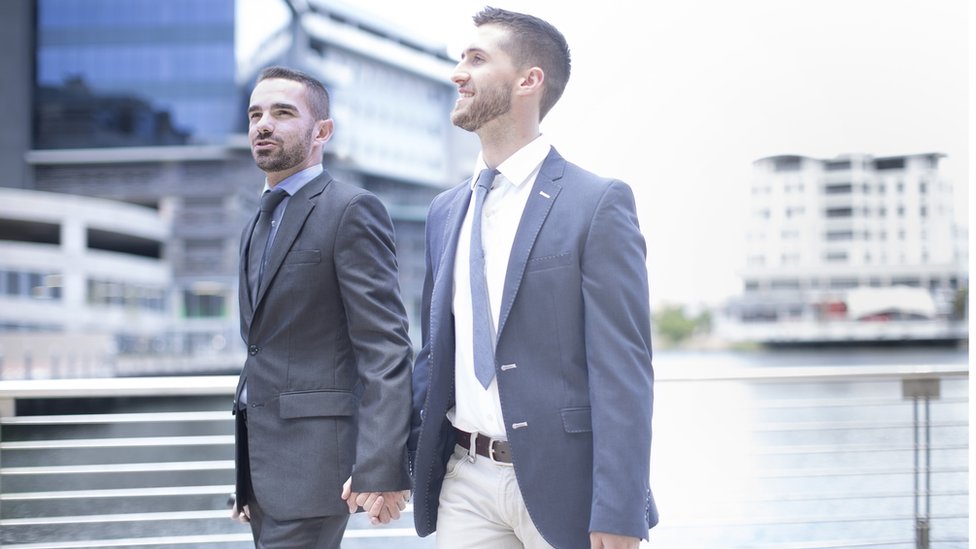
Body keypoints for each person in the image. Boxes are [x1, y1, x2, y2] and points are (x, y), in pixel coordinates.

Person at [409, 7, 659, 549]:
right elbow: (433, 357)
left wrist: (619, 512)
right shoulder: (445, 211)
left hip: (565, 487)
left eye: (476, 59)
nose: (458, 72)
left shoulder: (596, 203)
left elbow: (624, 370)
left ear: (529, 80)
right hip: (465, 482)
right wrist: (384, 464)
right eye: (460, 58)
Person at [231, 65, 412, 548]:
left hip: (314, 470)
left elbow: (385, 347)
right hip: (264, 471)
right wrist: (246, 477)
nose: (263, 124)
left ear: (322, 131)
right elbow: (261, 349)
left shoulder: (351, 209)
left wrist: (380, 466)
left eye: (282, 113)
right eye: (255, 114)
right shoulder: (257, 221)